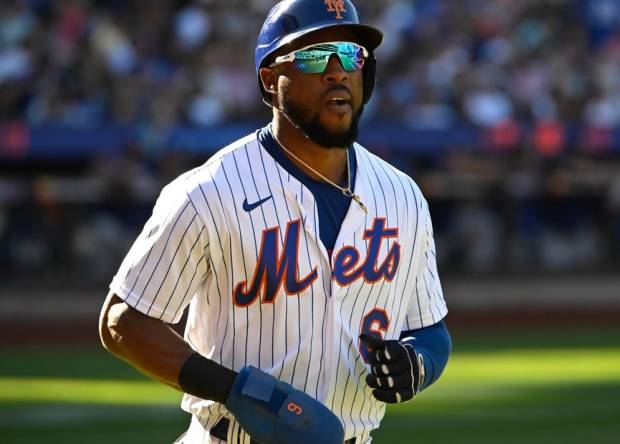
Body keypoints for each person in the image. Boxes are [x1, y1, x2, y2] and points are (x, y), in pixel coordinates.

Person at [98, 1, 452, 443]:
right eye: (313, 55)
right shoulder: (210, 191)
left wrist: (417, 362)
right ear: (270, 79)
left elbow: (430, 327)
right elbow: (123, 321)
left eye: (350, 55)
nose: (337, 71)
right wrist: (237, 391)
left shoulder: (402, 196)